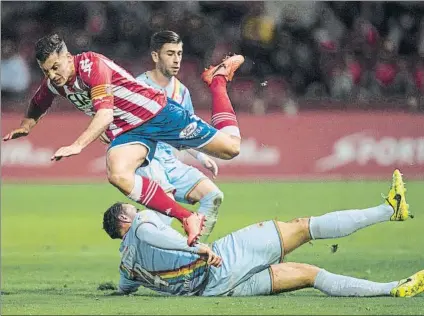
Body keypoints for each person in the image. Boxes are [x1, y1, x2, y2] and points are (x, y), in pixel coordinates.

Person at [2, 33, 245, 245]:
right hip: (130, 133)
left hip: (159, 115)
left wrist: (77, 145)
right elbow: (38, 102)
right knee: (117, 173)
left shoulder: (91, 65)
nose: (52, 75)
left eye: (55, 67)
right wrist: (26, 126)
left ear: (68, 57)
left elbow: (105, 114)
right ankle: (187, 217)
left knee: (231, 149)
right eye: (46, 71)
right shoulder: (57, 84)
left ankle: (217, 82)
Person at [103, 169, 422, 298]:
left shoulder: (127, 268)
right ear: (124, 218)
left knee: (310, 274)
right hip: (221, 260)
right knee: (301, 227)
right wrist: (197, 249)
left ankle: (392, 289)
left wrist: (115, 291)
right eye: (129, 206)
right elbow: (153, 236)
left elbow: (124, 288)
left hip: (218, 291)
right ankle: (389, 210)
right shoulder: (141, 224)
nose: (137, 206)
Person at [101, 30, 224, 242]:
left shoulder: (182, 91)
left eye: (179, 53)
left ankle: (194, 252)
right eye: (170, 53)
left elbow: (186, 133)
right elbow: (110, 116)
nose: (176, 60)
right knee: (164, 211)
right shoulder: (137, 86)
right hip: (146, 159)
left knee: (213, 196)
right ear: (155, 56)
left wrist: (202, 158)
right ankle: (149, 258)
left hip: (170, 161)